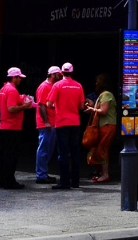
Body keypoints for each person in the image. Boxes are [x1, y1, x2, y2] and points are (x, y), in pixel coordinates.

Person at [51, 62, 85, 190]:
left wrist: (57, 105)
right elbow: (81, 106)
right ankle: (75, 181)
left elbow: (49, 103)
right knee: (75, 152)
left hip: (61, 122)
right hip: (75, 122)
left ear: (61, 72)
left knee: (63, 153)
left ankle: (64, 181)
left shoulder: (57, 85)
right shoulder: (78, 86)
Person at [0, 66, 33, 189]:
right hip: (12, 128)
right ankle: (9, 181)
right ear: (14, 77)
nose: (20, 80)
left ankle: (2, 180)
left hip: (3, 126)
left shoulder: (3, 89)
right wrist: (25, 106)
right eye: (19, 77)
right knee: (11, 156)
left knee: (3, 155)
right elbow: (11, 108)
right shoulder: (12, 90)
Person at [85, 73, 118, 183]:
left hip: (107, 125)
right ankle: (100, 172)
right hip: (104, 125)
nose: (96, 83)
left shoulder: (106, 94)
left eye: (98, 81)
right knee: (99, 148)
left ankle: (105, 174)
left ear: (103, 83)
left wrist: (92, 109)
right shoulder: (103, 95)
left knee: (102, 149)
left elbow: (103, 111)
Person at [34, 65, 62, 184]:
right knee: (44, 149)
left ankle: (43, 173)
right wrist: (46, 122)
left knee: (48, 149)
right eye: (58, 75)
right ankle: (41, 175)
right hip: (47, 124)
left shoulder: (51, 86)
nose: (60, 76)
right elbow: (41, 105)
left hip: (52, 122)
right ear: (52, 75)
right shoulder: (44, 86)